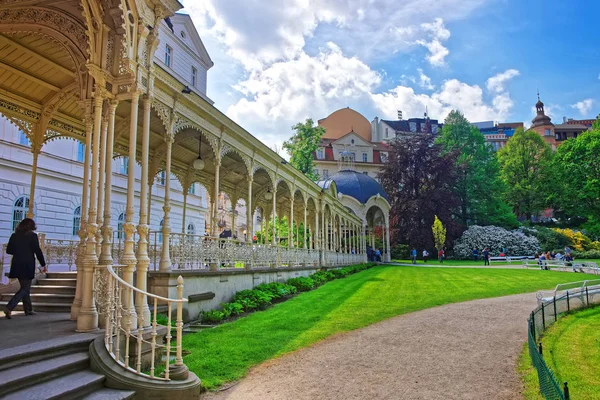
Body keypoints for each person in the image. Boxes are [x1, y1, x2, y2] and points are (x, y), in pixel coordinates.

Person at [3, 218, 46, 319]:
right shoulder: (32, 236)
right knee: (25, 287)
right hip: (27, 263)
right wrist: (43, 264)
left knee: (25, 287)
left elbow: (9, 250)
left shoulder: (14, 235)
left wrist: (19, 251)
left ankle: (28, 309)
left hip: (17, 263)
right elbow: (37, 251)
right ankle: (9, 307)